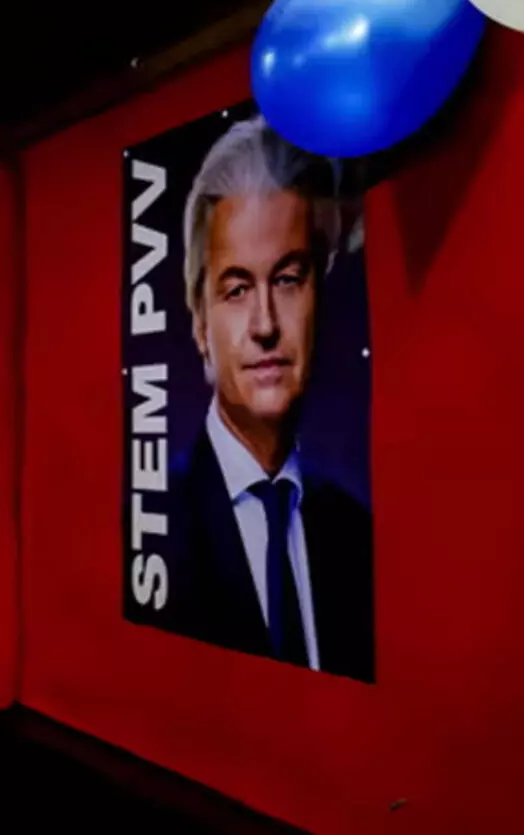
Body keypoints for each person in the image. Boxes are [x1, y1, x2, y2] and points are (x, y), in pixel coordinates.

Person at [163, 116, 374, 682]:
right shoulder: (158, 526)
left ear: (319, 297)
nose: (264, 325)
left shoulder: (357, 536)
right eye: (236, 289)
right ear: (201, 322)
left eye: (287, 279)